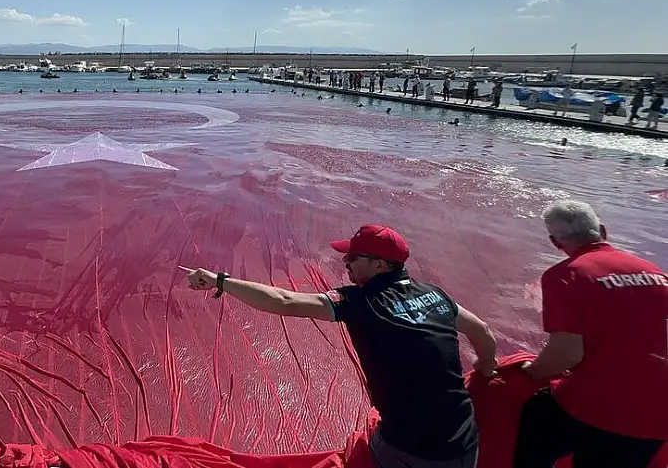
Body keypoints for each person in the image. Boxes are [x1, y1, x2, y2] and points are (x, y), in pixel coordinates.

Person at [186, 224, 497, 468]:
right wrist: (486, 368)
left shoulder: (361, 302)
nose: (345, 263)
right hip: (467, 439)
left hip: (411, 451)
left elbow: (284, 301)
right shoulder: (435, 294)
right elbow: (482, 332)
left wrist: (220, 281)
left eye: (353, 258)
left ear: (380, 265)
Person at [513, 200, 667, 468]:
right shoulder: (654, 271)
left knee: (534, 424)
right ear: (603, 231)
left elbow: (567, 354)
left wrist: (533, 371)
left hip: (600, 409)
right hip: (659, 414)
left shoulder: (566, 275)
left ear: (555, 242)